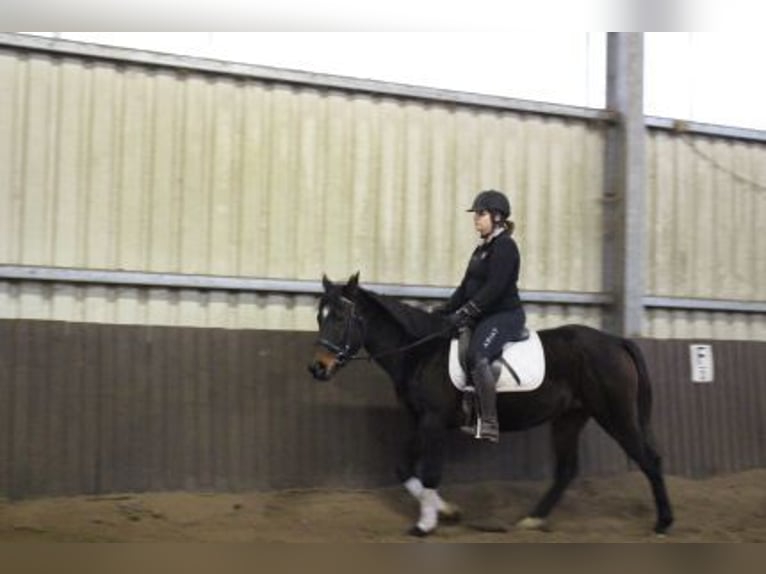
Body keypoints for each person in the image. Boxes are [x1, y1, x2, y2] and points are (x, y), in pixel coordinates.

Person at [436, 189, 526, 443]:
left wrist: (467, 311)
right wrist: (444, 311)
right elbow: (465, 288)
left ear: (497, 217)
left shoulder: (505, 246)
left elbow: (495, 288)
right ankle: (466, 410)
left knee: (477, 354)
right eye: (475, 214)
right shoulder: (481, 249)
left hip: (505, 315)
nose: (476, 218)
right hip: (483, 315)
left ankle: (489, 422)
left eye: (481, 213)